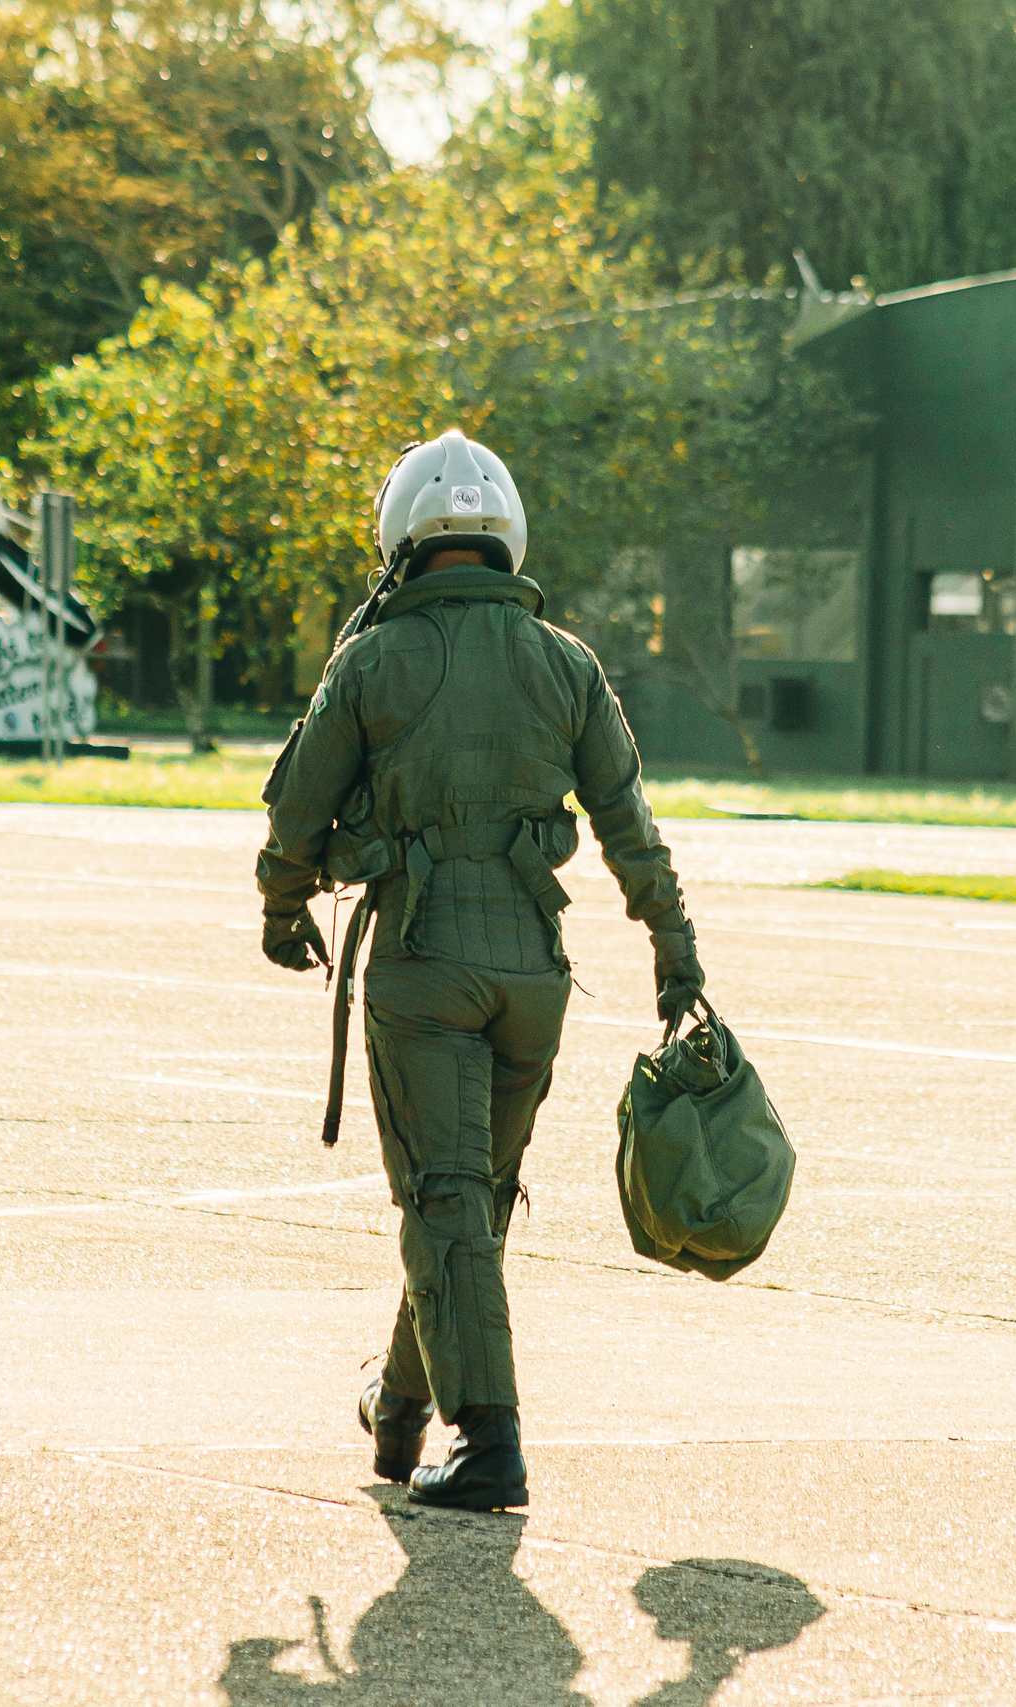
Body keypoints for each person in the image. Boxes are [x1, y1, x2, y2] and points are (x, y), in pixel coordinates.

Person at [254, 428, 705, 1513]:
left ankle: (487, 1437)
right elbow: (630, 824)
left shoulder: (370, 659)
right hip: (534, 974)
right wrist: (673, 946)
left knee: (443, 1196)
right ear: (507, 536)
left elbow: (297, 808)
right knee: (471, 1200)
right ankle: (398, 1406)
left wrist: (281, 905)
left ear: (400, 538)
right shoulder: (567, 662)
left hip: (424, 963)